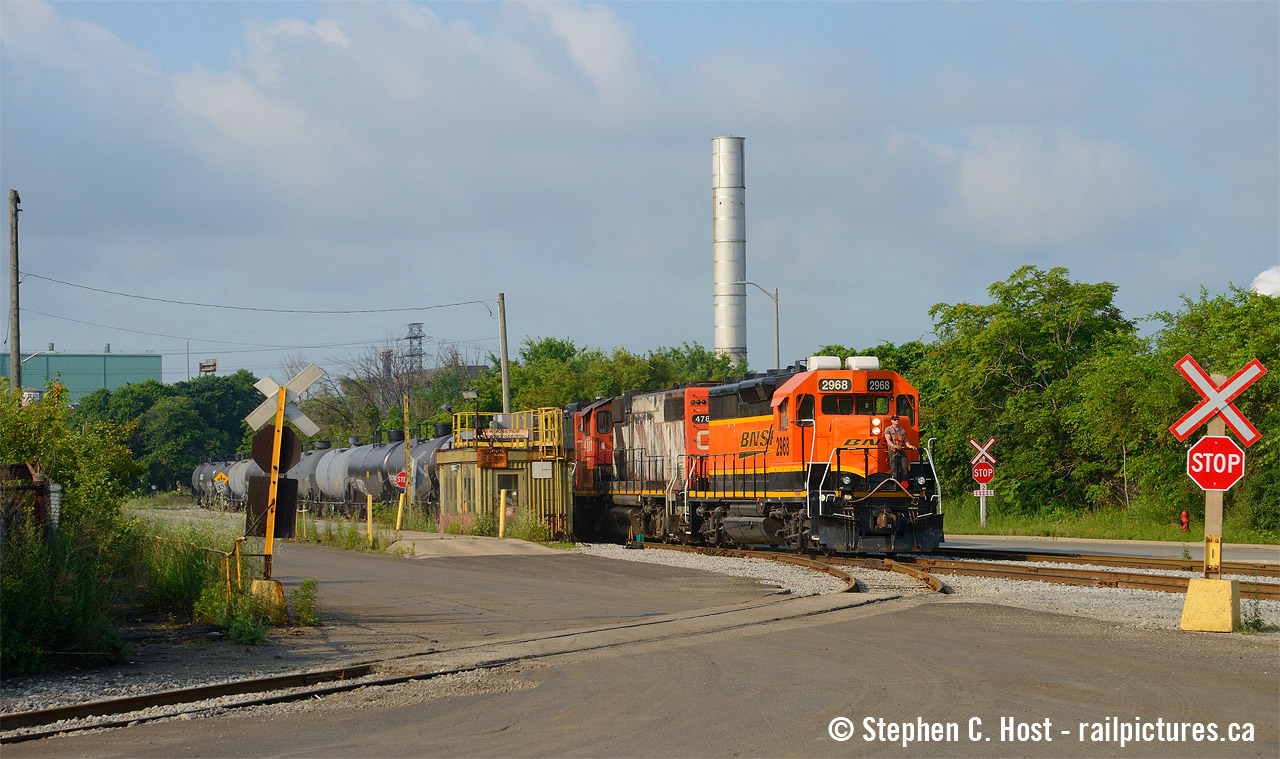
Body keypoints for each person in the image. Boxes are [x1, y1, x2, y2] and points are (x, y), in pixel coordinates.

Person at [884, 415, 916, 485]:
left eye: (897, 419)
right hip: (892, 450)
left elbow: (905, 440)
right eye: (895, 419)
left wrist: (910, 446)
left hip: (901, 449)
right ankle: (895, 482)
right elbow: (888, 440)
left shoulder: (901, 430)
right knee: (894, 466)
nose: (896, 420)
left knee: (905, 464)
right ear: (891, 421)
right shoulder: (888, 429)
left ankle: (905, 482)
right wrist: (894, 446)